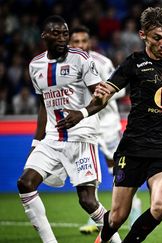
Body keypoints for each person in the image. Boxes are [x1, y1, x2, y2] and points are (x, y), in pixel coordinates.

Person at [56, 7, 162, 243]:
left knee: (160, 206)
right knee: (117, 217)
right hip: (132, 148)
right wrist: (82, 112)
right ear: (143, 35)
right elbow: (105, 94)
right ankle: (103, 238)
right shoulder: (133, 63)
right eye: (157, 37)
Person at [16, 15, 121, 243]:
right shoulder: (36, 66)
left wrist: (81, 113)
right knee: (25, 183)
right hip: (52, 139)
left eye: (65, 34)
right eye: (57, 34)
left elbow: (101, 97)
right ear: (44, 36)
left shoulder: (82, 59)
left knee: (87, 201)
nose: (62, 38)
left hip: (81, 136)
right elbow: (44, 105)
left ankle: (116, 241)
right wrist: (36, 143)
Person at [69, 25, 142, 234]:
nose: (81, 45)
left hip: (107, 123)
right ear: (70, 44)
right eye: (76, 42)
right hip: (84, 124)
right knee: (88, 172)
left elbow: (119, 89)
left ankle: (133, 206)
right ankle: (96, 216)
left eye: (84, 41)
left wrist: (101, 91)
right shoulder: (65, 65)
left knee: (116, 168)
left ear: (90, 42)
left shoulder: (101, 62)